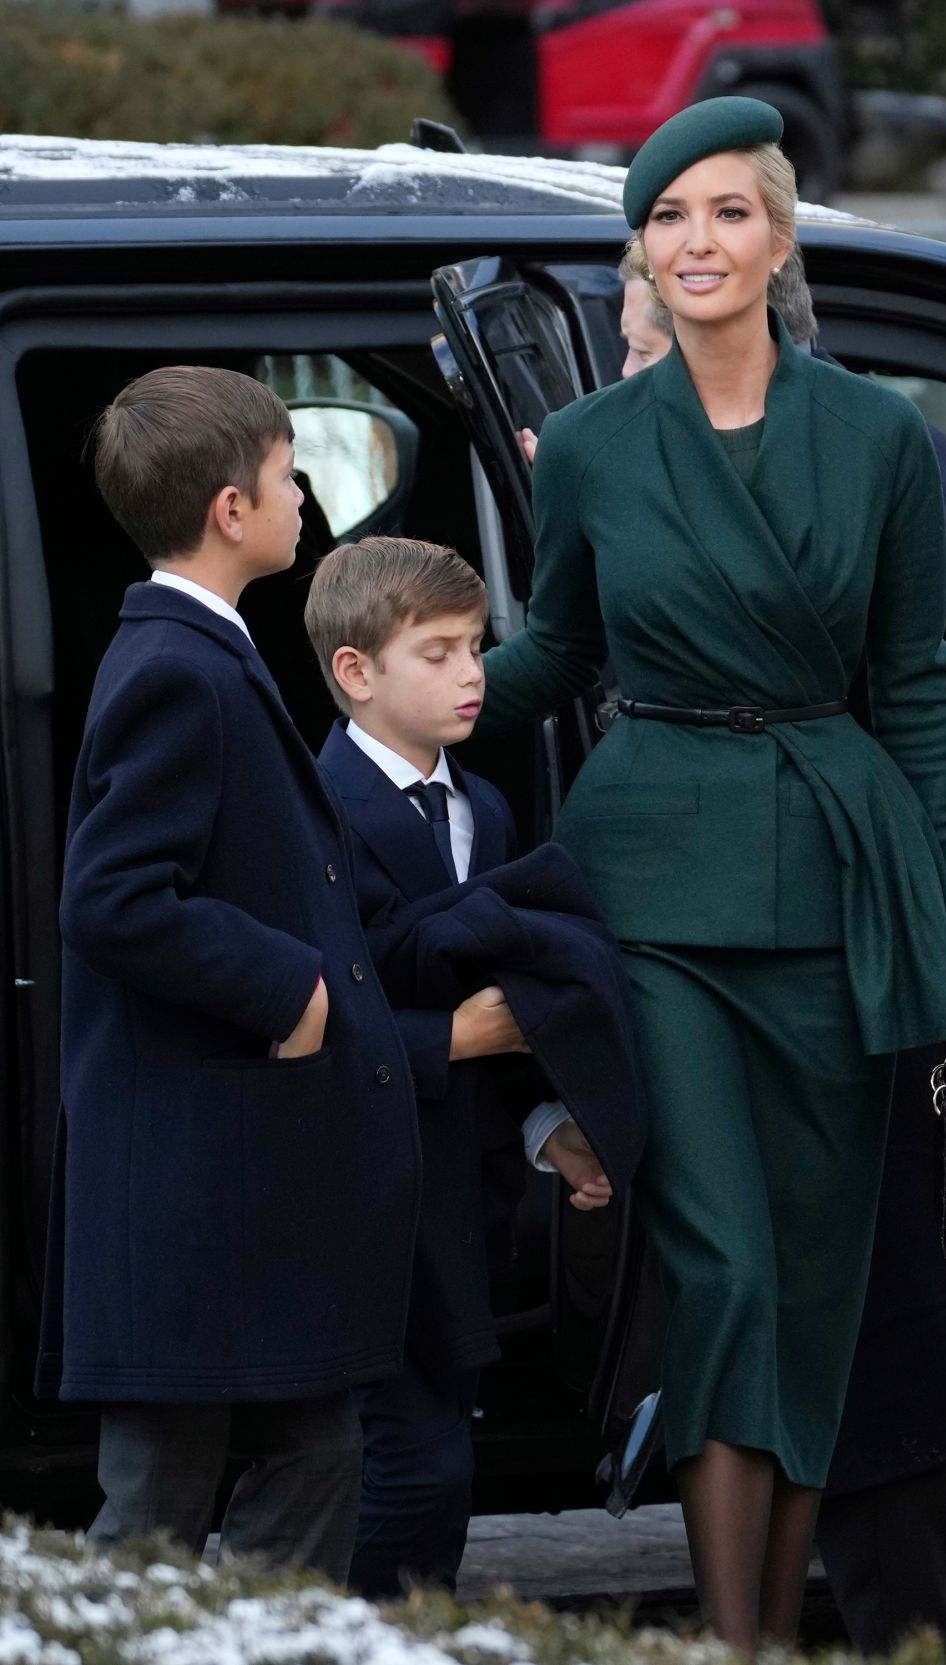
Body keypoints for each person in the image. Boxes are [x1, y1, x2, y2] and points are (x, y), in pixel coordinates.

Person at [478, 96, 946, 1656]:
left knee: (815, 1284)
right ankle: (736, 1641)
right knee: (720, 1267)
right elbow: (559, 652)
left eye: (724, 213)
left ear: (776, 238)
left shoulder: (878, 436)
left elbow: (912, 687)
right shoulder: (585, 446)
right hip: (657, 890)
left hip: (843, 881)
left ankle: (765, 1634)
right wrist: (398, 705)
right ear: (637, 251)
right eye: (665, 218)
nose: (694, 243)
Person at [35, 367, 421, 1583]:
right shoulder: (174, 666)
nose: (302, 491)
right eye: (284, 469)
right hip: (197, 1191)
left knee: (312, 1455)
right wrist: (292, 990)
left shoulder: (201, 652)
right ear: (229, 510)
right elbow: (112, 898)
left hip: (236, 1193)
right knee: (158, 1511)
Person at [305, 535, 639, 1598]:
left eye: (478, 649)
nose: (472, 675)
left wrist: (548, 1126)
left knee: (437, 1458)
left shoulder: (484, 810)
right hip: (348, 1200)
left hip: (456, 1199)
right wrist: (453, 1041)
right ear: (355, 672)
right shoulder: (310, 815)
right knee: (406, 1467)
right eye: (438, 652)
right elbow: (309, 1020)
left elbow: (506, 1002)